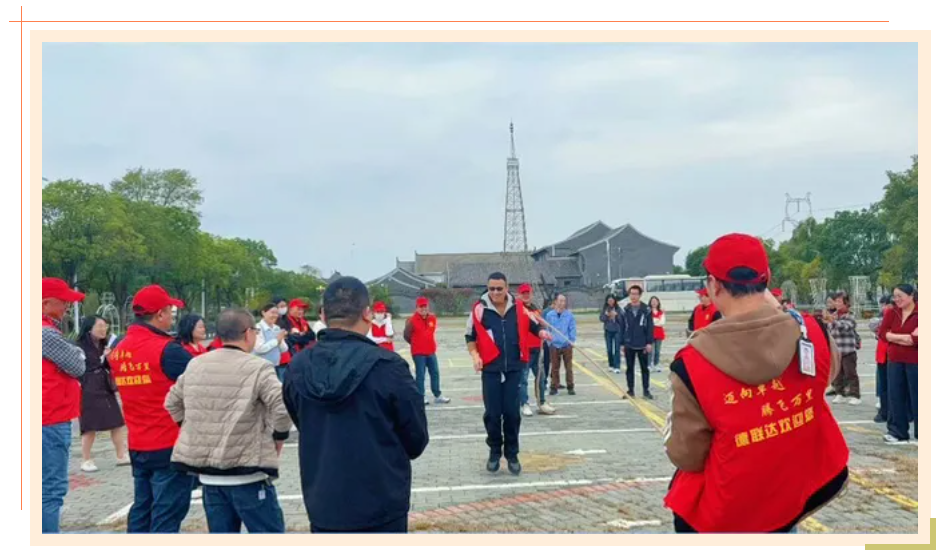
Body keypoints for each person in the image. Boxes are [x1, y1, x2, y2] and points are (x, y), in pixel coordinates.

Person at [663, 233, 848, 533]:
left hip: (731, 511)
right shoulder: (811, 331)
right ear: (767, 278)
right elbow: (829, 374)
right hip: (792, 496)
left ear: (714, 285)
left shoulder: (691, 363)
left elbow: (687, 455)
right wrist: (779, 312)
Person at [283, 277, 429, 533]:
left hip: (324, 500)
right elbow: (415, 438)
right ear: (367, 314)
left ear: (324, 315)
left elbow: (301, 420)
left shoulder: (298, 366)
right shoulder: (388, 366)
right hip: (381, 499)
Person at [166, 308, 292, 534]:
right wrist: (279, 438)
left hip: (209, 475)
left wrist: (191, 428)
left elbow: (172, 402)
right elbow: (282, 407)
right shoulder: (258, 367)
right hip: (248, 473)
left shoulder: (196, 364)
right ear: (248, 333)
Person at [108, 284, 195, 533]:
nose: (172, 317)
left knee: (142, 509)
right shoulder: (167, 350)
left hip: (138, 442)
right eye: (170, 311)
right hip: (169, 441)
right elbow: (203, 379)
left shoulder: (120, 350)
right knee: (167, 514)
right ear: (159, 314)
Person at [466, 273, 552, 475]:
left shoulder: (519, 308)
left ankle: (512, 454)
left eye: (499, 288)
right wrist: (475, 356)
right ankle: (494, 451)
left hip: (514, 368)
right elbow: (470, 336)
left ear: (506, 288)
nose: (495, 292)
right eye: (492, 289)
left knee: (512, 414)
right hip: (491, 369)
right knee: (493, 414)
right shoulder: (479, 310)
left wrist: (541, 332)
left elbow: (534, 326)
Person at [41, 278, 88, 533]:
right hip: (50, 420)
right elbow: (78, 364)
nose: (68, 307)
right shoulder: (45, 333)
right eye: (64, 302)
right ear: (44, 304)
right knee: (50, 490)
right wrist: (76, 354)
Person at [76, 315, 129, 473]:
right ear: (89, 329)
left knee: (116, 422)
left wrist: (109, 357)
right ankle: (86, 459)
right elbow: (78, 367)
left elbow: (111, 365)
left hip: (105, 386)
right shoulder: (80, 346)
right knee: (89, 425)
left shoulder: (105, 344)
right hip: (88, 387)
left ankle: (121, 455)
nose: (103, 329)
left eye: (105, 326)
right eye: (99, 326)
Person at [878, 284, 918, 445]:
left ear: (911, 295)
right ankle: (897, 432)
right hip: (894, 360)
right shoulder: (892, 312)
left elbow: (918, 339)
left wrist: (893, 336)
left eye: (900, 296)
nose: (896, 299)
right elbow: (882, 333)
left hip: (916, 361)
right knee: (895, 395)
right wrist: (905, 338)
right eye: (894, 296)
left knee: (919, 396)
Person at [404, 297, 450, 405]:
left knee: (435, 373)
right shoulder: (411, 320)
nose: (423, 309)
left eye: (425, 306)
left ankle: (437, 395)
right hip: (418, 353)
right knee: (420, 375)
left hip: (431, 351)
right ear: (416, 308)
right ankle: (421, 396)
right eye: (421, 307)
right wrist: (415, 343)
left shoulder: (432, 318)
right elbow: (406, 335)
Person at [518, 284, 554, 416]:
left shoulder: (535, 310)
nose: (526, 295)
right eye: (523, 293)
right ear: (519, 295)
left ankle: (542, 402)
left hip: (537, 349)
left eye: (528, 293)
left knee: (540, 378)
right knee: (523, 379)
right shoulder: (519, 309)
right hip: (525, 350)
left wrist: (543, 329)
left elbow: (538, 326)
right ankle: (524, 404)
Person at [824, 291, 861, 405]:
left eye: (840, 301)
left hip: (847, 350)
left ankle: (855, 395)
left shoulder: (850, 315)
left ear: (846, 303)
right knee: (837, 374)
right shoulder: (833, 315)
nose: (837, 303)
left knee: (850, 373)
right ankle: (840, 393)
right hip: (836, 350)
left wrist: (833, 321)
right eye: (836, 301)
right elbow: (829, 329)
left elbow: (846, 327)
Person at [621, 285, 655, 400]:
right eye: (631, 294)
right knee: (629, 368)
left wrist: (649, 343)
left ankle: (646, 390)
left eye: (636, 294)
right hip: (629, 343)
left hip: (643, 343)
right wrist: (622, 343)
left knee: (644, 368)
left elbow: (650, 327)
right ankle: (630, 390)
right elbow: (622, 327)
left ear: (640, 295)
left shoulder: (646, 310)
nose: (633, 296)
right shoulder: (625, 310)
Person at [544, 294, 577, 396]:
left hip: (566, 344)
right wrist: (549, 342)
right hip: (554, 345)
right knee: (554, 367)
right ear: (556, 301)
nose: (562, 303)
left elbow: (572, 329)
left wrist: (571, 341)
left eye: (564, 301)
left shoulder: (569, 315)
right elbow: (547, 329)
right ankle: (554, 387)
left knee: (568, 367)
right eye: (560, 301)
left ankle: (570, 387)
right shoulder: (550, 315)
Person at [869, 296, 894, 423]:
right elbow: (872, 325)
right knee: (883, 386)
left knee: (895, 387)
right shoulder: (884, 316)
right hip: (882, 355)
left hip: (895, 356)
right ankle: (885, 411)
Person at [254, 303, 290, 381]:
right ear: (263, 313)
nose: (275, 315)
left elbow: (284, 349)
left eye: (277, 313)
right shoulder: (258, 328)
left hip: (275, 366)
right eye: (272, 312)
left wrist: (280, 341)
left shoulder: (277, 328)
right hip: (261, 368)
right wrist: (276, 341)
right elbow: (259, 349)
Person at [600, 294, 624, 374]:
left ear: (614, 301)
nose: (610, 302)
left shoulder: (618, 309)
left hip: (617, 331)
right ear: (607, 301)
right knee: (609, 349)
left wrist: (616, 315)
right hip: (608, 331)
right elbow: (601, 319)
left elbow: (622, 320)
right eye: (609, 300)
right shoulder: (605, 309)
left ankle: (617, 366)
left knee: (617, 349)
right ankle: (611, 365)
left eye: (612, 300)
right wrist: (606, 315)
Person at [649, 296, 666, 373]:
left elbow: (662, 323)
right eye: (652, 301)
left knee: (657, 351)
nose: (654, 303)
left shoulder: (661, 312)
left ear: (658, 302)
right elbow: (650, 322)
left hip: (659, 333)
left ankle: (656, 364)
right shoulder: (648, 311)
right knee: (650, 350)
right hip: (650, 333)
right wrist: (657, 320)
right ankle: (649, 365)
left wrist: (655, 321)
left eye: (655, 301)